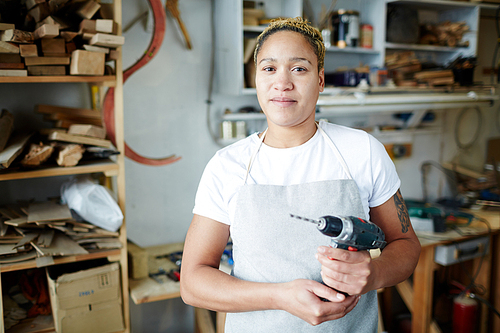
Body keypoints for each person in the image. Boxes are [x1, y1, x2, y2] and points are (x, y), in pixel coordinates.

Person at [180, 17, 421, 332]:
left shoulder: (362, 150)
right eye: (269, 69)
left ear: (320, 80)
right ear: (256, 79)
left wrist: (373, 274)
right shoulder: (227, 166)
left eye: (299, 69)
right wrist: (280, 296)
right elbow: (193, 282)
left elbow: (406, 245)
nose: (282, 83)